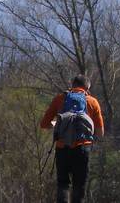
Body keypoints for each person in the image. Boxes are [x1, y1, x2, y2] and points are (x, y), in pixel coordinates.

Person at [40, 74, 104, 203]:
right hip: (82, 148)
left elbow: (44, 124)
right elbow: (100, 132)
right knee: (79, 185)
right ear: (87, 87)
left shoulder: (60, 99)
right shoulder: (92, 102)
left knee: (63, 184)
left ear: (72, 85)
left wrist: (57, 124)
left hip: (62, 147)